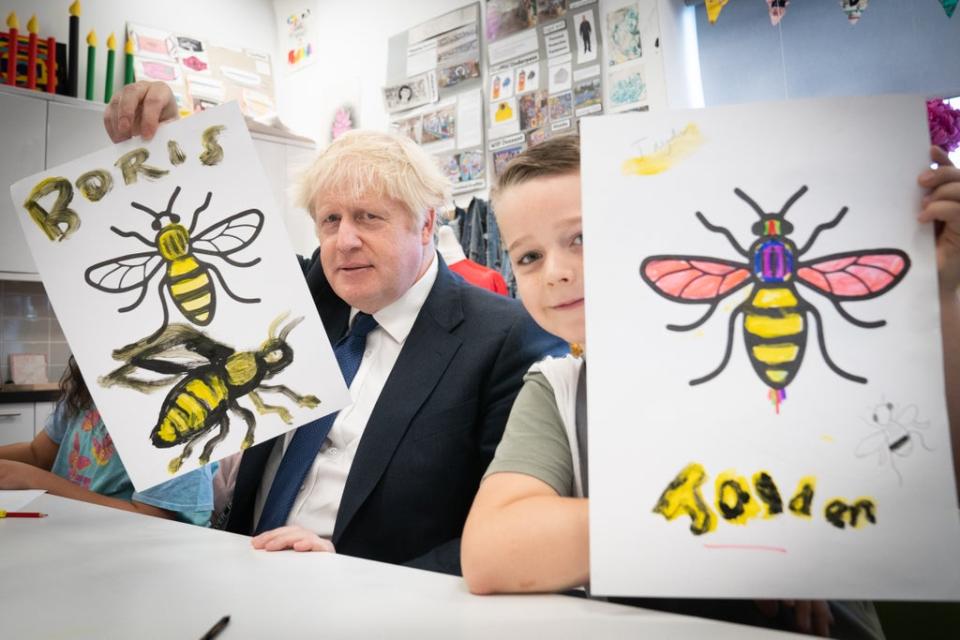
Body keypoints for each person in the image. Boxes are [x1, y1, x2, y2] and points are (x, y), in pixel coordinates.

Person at [461, 135, 960, 636]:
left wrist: (937, 291)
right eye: (528, 257)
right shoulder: (558, 389)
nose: (557, 274)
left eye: (582, 238)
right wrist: (744, 530)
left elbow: (926, 470)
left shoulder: (803, 364)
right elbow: (490, 551)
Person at [102, 81, 565, 575]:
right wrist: (169, 138)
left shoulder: (505, 336)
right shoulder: (303, 296)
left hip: (373, 605)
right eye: (330, 220)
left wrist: (352, 571)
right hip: (234, 570)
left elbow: (513, 535)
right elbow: (202, 231)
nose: (345, 241)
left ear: (427, 224)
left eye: (369, 217)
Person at [0, 356, 215, 525]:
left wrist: (33, 479)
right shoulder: (85, 392)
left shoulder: (179, 417)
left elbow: (153, 520)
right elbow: (38, 454)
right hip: (72, 536)